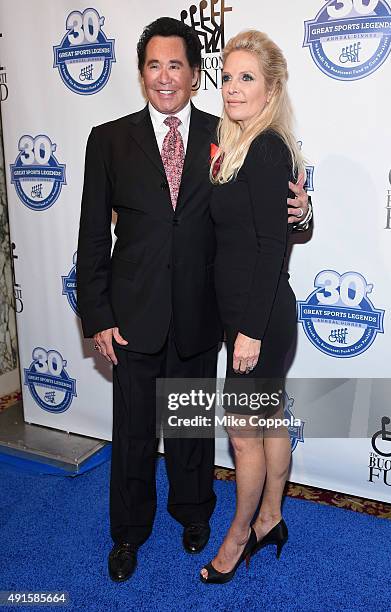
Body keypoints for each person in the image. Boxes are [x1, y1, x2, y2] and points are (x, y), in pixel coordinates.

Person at [76, 17, 310, 583]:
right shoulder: (107, 139)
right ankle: (128, 533)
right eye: (154, 65)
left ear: (194, 73)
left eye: (176, 64)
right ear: (140, 74)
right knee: (132, 432)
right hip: (133, 315)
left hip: (203, 314)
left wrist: (305, 212)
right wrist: (97, 314)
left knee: (189, 429)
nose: (165, 76)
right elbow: (90, 234)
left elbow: (266, 213)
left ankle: (194, 513)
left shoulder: (227, 133)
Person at [200, 30, 303, 584]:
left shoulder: (266, 146)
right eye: (228, 75)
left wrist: (250, 331)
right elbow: (269, 226)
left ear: (272, 89)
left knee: (242, 434)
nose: (232, 87)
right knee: (268, 424)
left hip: (256, 320)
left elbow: (271, 247)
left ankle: (239, 537)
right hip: (252, 315)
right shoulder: (237, 141)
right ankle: (270, 518)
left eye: (247, 78)